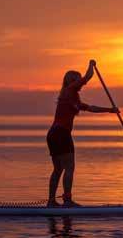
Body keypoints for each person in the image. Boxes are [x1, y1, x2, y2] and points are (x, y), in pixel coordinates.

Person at [47, 60, 118, 207]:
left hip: (54, 134)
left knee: (59, 169)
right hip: (60, 133)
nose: (81, 82)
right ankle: (66, 201)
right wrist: (91, 65)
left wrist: (110, 110)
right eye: (77, 79)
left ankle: (52, 202)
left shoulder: (73, 98)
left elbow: (91, 108)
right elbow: (87, 77)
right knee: (69, 167)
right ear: (72, 80)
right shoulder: (69, 90)